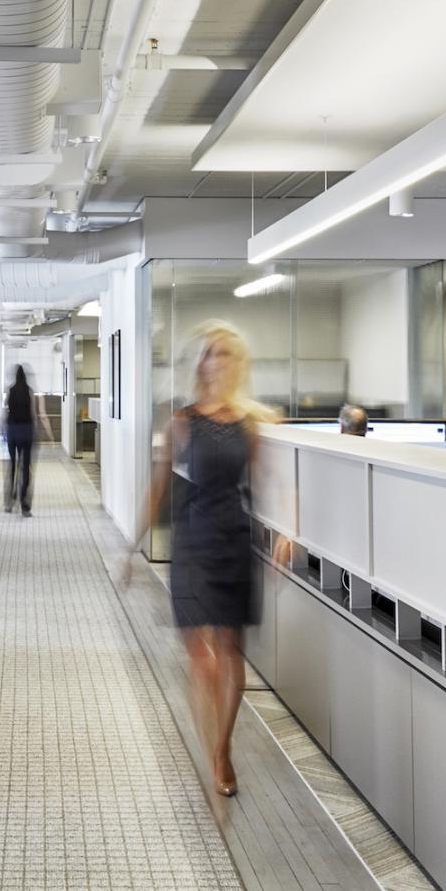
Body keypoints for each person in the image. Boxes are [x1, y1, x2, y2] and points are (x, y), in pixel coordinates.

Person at [135, 322, 279, 799]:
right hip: (193, 541)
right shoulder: (180, 420)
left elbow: (266, 486)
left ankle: (223, 747)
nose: (216, 361)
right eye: (209, 354)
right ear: (200, 363)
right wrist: (132, 543)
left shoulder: (253, 423)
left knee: (232, 655)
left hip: (234, 539)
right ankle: (211, 747)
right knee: (203, 659)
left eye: (224, 354)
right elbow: (158, 484)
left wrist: (285, 533)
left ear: (236, 363)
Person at [1, 365, 48, 516]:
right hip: (27, 431)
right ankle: (25, 506)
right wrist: (36, 432)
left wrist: (4, 430)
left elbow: (5, 411)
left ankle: (9, 502)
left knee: (12, 466)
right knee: (26, 468)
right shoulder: (29, 391)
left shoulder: (10, 390)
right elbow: (33, 413)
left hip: (13, 431)